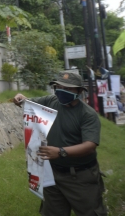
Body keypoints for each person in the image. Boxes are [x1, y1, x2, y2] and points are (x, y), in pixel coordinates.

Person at [13, 71, 107, 216]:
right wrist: (21, 99)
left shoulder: (87, 114)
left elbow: (90, 145)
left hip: (80, 177)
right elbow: (30, 104)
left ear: (80, 91)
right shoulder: (51, 101)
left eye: (68, 88)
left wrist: (60, 151)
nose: (62, 91)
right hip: (52, 174)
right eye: (59, 87)